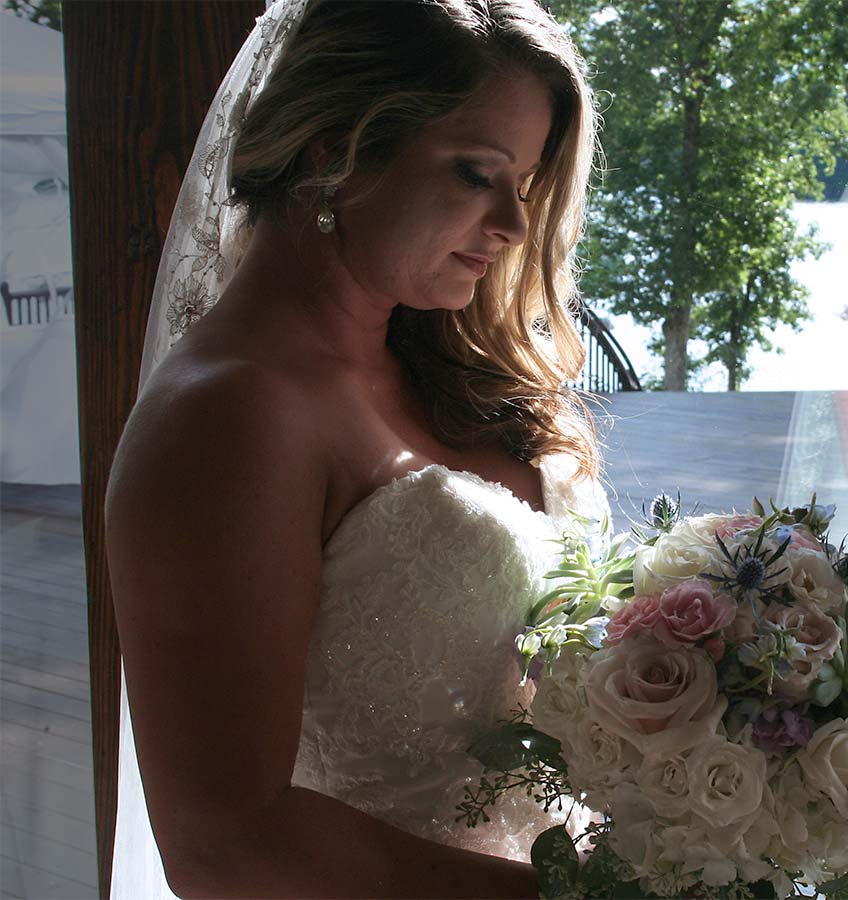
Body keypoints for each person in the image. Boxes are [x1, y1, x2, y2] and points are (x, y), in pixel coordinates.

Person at [103, 1, 609, 897]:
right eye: (475, 174)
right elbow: (225, 842)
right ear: (333, 147)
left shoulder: (430, 361)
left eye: (524, 186)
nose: (513, 226)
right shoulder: (228, 417)